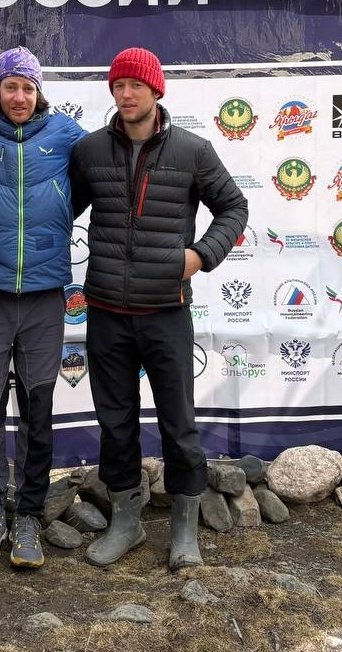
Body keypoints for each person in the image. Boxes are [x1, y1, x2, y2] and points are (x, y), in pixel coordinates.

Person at [69, 47, 247, 571]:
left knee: (179, 424)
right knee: (116, 423)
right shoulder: (89, 151)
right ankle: (126, 524)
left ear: (156, 90)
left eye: (135, 86)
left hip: (167, 309)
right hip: (105, 310)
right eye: (118, 86)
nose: (125, 95)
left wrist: (201, 255)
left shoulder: (193, 151)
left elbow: (234, 206)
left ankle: (184, 531)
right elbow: (59, 210)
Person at [0, 46, 85, 569]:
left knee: (37, 408)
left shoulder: (65, 135)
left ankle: (27, 513)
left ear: (39, 92)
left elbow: (100, 176)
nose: (20, 97)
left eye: (29, 87)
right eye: (11, 86)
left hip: (45, 296)